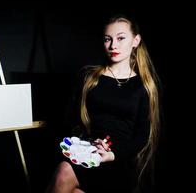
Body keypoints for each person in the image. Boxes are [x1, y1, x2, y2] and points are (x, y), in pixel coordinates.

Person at [45, 14, 161, 193]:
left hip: (120, 161)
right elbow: (71, 122)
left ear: (135, 40)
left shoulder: (144, 87)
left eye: (121, 38)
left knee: (66, 178)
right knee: (64, 173)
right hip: (88, 153)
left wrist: (112, 154)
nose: (113, 45)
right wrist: (90, 141)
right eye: (108, 39)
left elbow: (142, 137)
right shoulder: (89, 78)